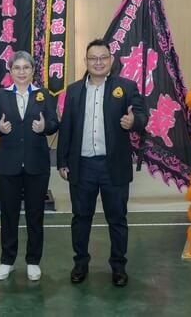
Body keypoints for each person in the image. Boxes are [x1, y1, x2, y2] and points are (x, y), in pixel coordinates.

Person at [56, 38, 148, 287]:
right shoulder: (74, 90)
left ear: (111, 60)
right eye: (93, 58)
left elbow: (142, 116)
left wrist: (134, 122)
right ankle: (80, 264)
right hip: (82, 166)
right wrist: (62, 160)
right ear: (86, 61)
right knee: (80, 218)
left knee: (117, 219)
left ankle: (118, 267)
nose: (98, 62)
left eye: (103, 58)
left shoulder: (126, 87)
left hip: (113, 166)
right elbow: (67, 128)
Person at [0, 51, 59, 282]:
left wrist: (45, 127)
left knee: (35, 215)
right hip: (9, 165)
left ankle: (33, 261)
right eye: (16, 67)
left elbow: (54, 123)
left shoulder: (43, 94)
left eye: (26, 67)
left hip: (37, 165)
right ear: (10, 71)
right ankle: (7, 260)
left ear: (33, 70)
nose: (21, 72)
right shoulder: (1, 95)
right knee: (8, 214)